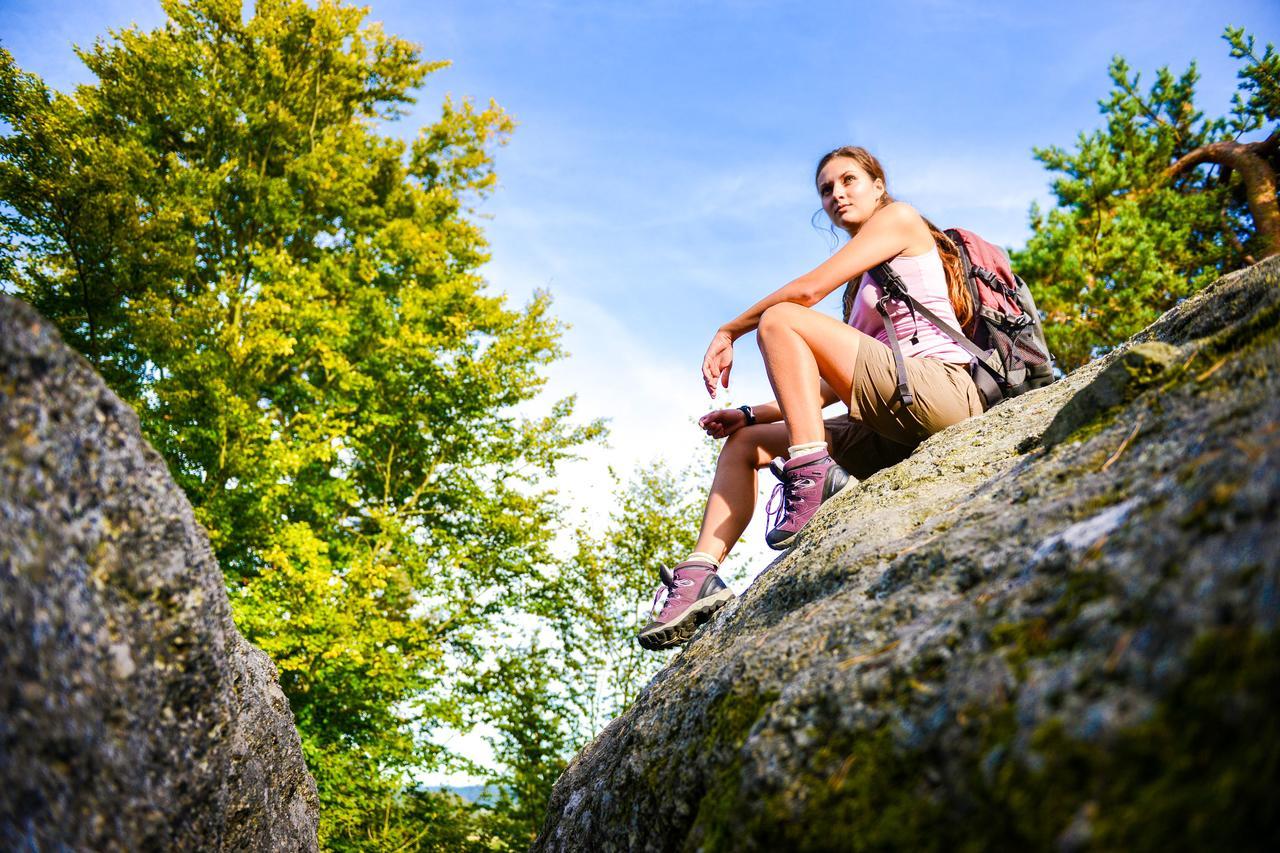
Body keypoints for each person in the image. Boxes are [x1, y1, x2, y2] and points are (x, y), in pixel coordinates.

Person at [637, 146, 985, 651]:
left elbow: (803, 294)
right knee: (746, 444)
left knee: (781, 318)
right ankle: (698, 579)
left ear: (878, 186)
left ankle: (813, 471)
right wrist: (748, 413)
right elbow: (826, 388)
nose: (838, 194)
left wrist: (730, 329)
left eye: (849, 180)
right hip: (891, 421)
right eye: (827, 189)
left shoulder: (900, 220)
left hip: (943, 393)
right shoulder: (859, 291)